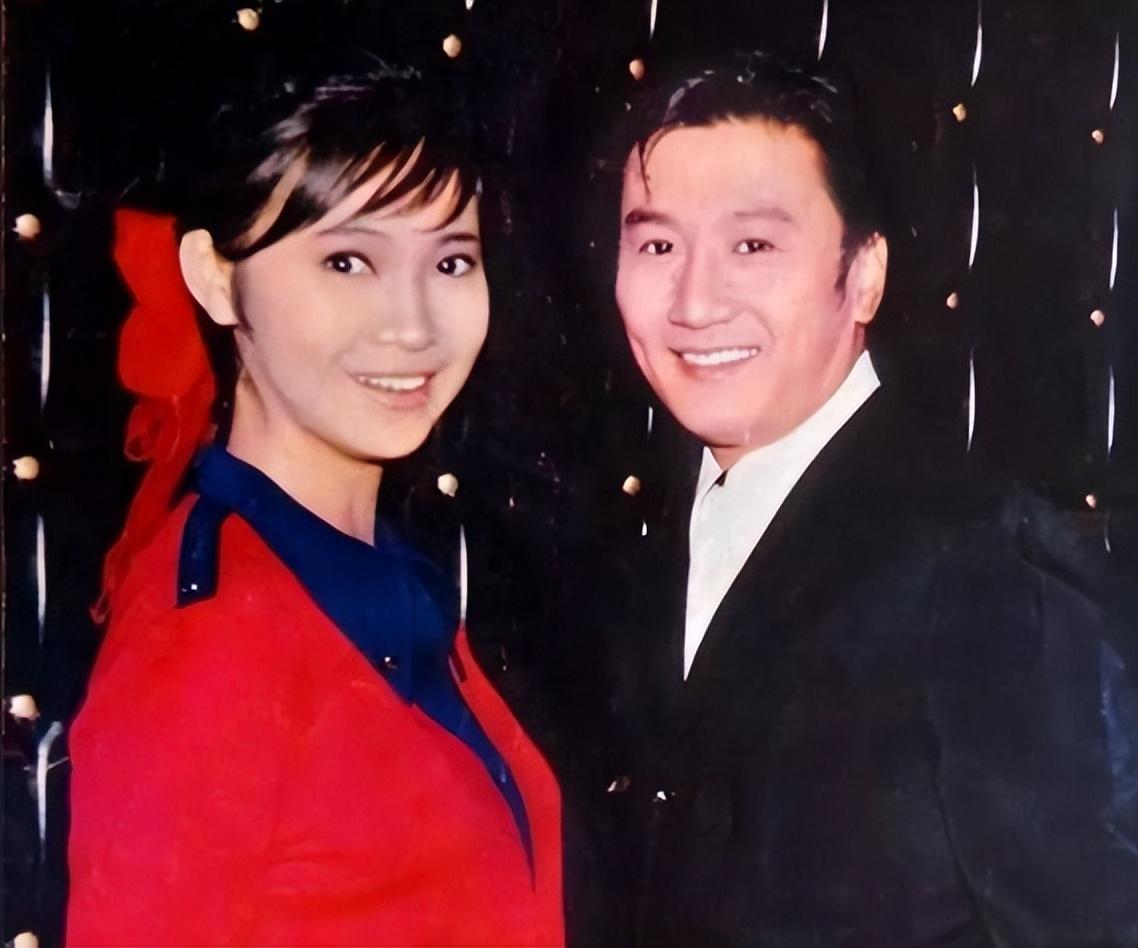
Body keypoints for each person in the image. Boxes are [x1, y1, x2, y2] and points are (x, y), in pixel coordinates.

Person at [593, 53, 1138, 946]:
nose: (693, 302)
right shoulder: (625, 537)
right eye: (658, 246)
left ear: (865, 274)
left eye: (752, 246)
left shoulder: (987, 563)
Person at [65, 57, 563, 946]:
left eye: (452, 260)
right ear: (216, 279)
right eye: (347, 261)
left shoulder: (381, 572)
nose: (413, 326)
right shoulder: (205, 644)